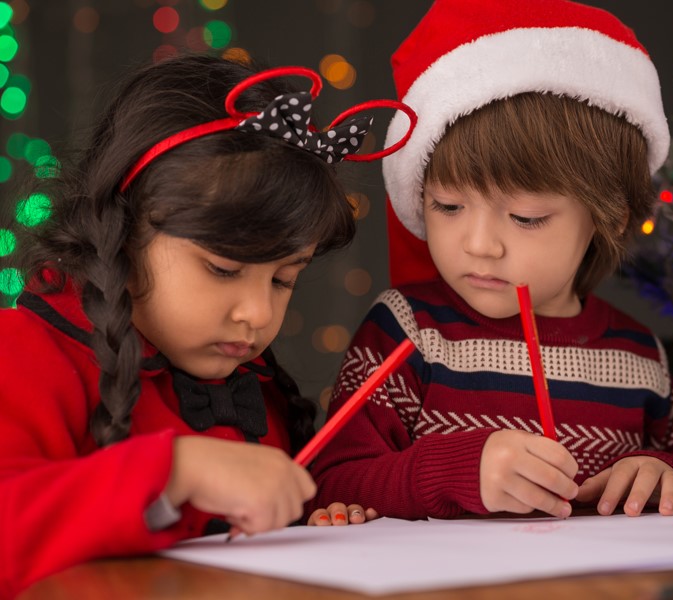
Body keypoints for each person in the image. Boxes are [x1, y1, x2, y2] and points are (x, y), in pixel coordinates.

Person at [0, 53, 411, 598]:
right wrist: (175, 470)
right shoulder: (23, 351)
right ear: (124, 233)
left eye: (283, 279)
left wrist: (315, 518)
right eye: (223, 269)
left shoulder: (256, 384)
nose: (258, 314)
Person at [310, 0, 673, 521]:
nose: (480, 244)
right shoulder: (406, 332)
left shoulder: (640, 358)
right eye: (448, 206)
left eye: (525, 217)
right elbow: (328, 484)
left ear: (611, 216)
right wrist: (453, 471)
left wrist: (662, 475)